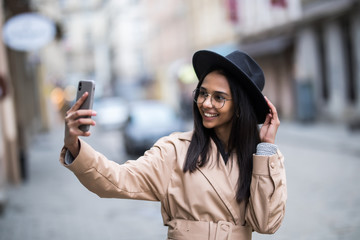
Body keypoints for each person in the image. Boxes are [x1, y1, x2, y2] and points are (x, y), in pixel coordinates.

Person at [60, 50, 287, 240]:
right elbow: (116, 180)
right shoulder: (175, 150)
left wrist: (266, 148)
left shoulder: (262, 159)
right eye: (203, 93)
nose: (206, 103)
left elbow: (266, 224)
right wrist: (75, 146)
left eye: (219, 97)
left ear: (240, 107)